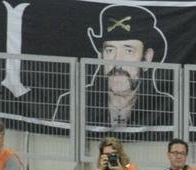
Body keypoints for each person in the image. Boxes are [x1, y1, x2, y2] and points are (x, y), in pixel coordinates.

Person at [53, 4, 174, 133]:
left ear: (147, 58)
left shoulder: (169, 105)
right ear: (101, 56)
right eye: (110, 50)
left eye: (128, 50)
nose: (117, 62)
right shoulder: (73, 100)